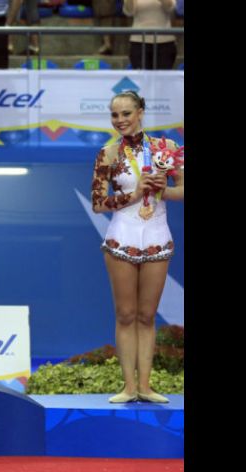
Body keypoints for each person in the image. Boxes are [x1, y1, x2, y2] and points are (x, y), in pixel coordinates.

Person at [90, 91, 183, 404]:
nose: (120, 121)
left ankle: (146, 386)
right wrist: (134, 194)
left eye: (126, 113)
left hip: (156, 234)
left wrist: (164, 191)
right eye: (115, 115)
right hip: (123, 237)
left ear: (141, 112)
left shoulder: (165, 148)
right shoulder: (108, 153)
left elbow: (182, 188)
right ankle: (128, 387)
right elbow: (98, 203)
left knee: (147, 315)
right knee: (126, 314)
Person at [124, 0, 178, 69]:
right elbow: (129, 12)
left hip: (165, 42)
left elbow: (170, 8)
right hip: (139, 42)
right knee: (142, 77)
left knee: (163, 77)